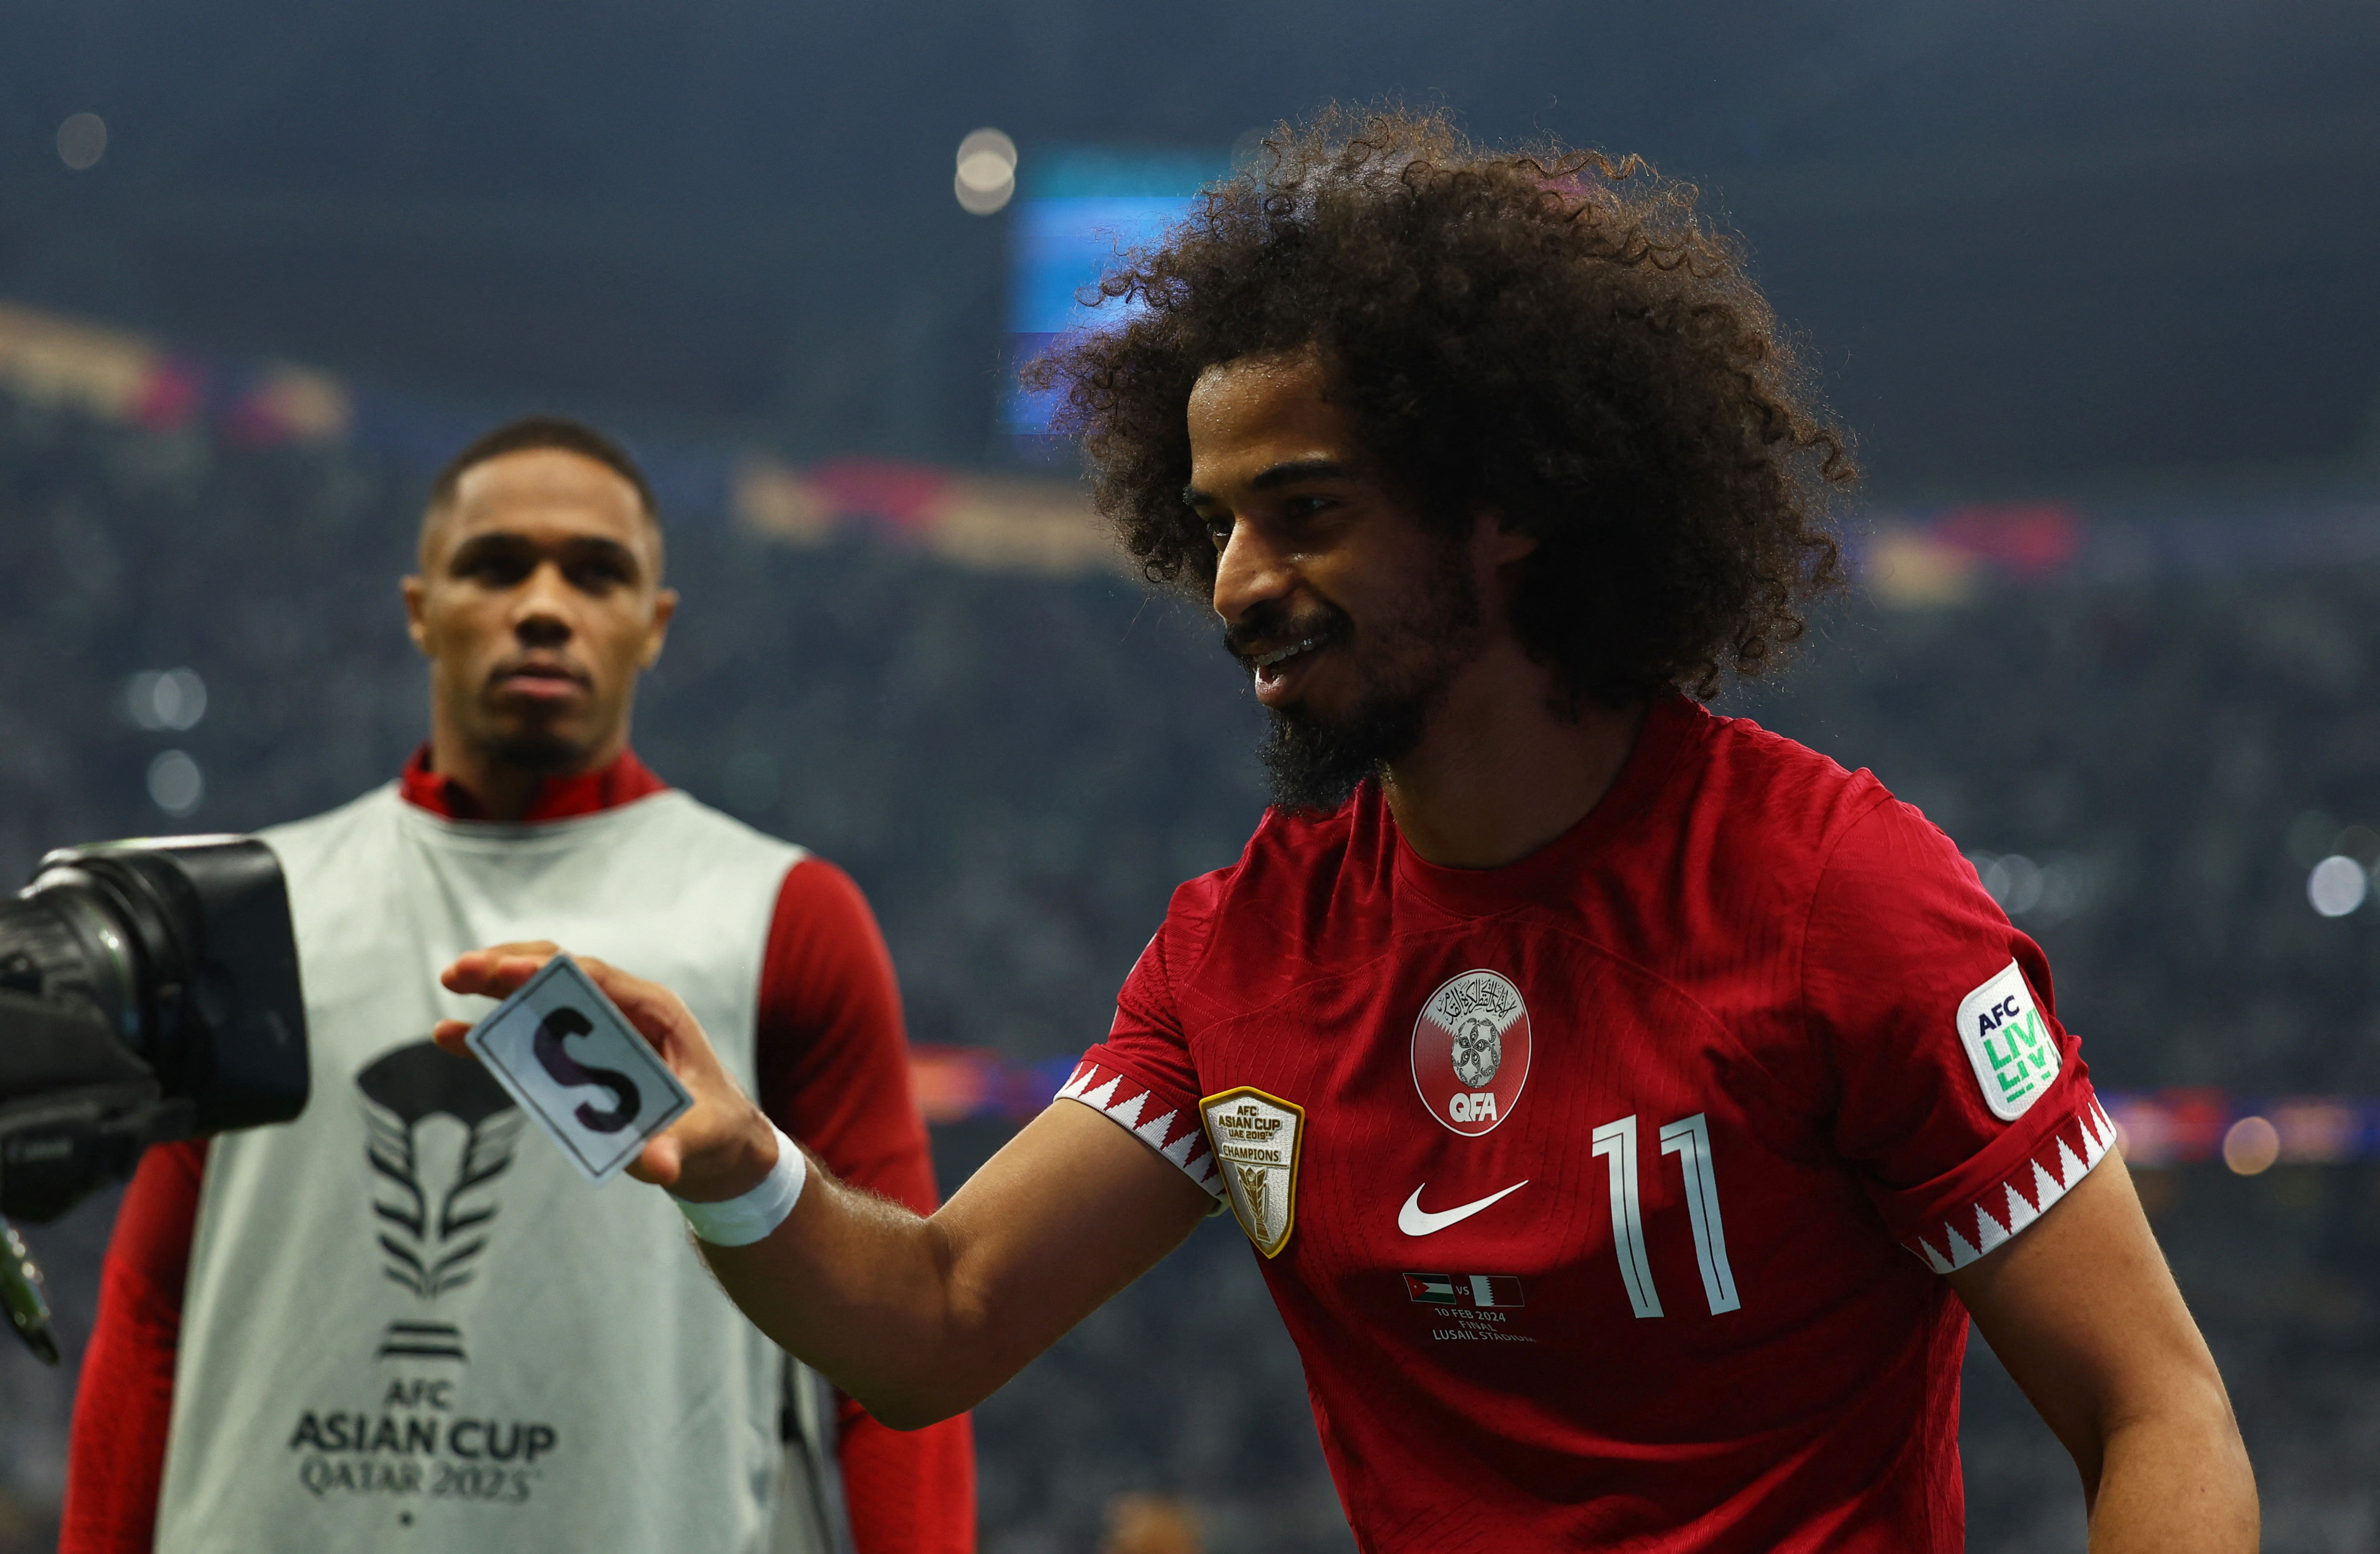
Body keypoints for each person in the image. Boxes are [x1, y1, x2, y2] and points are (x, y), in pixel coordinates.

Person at [436, 115, 2258, 1551]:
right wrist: (740, 1166)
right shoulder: (1240, 959)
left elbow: (2154, 1412)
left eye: (1303, 513)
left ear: (1514, 507)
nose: (1237, 584)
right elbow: (938, 1316)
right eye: (1215, 522)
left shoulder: (1837, 897)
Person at [61, 417, 975, 1554]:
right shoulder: (250, 908)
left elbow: (884, 1340)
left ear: (655, 623)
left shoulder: (786, 916)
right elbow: (153, 1317)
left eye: (597, 573)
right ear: (419, 608)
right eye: (496, 566)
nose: (544, 604)